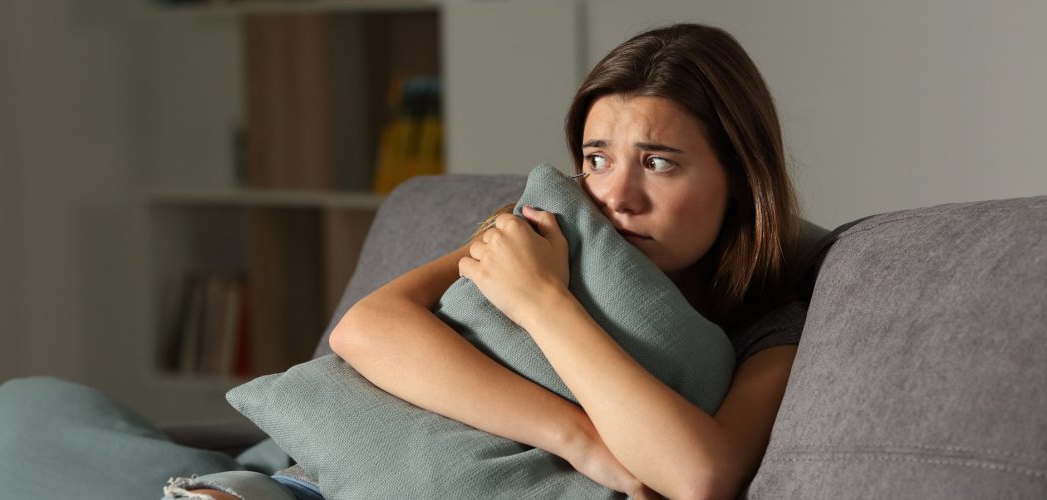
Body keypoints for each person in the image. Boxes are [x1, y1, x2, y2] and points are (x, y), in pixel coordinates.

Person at [186, 23, 803, 500]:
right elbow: (366, 330)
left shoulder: (771, 326)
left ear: (739, 177)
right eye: (597, 159)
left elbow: (699, 476)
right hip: (313, 481)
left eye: (658, 162)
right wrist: (580, 438)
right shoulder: (544, 230)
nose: (617, 196)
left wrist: (542, 303)